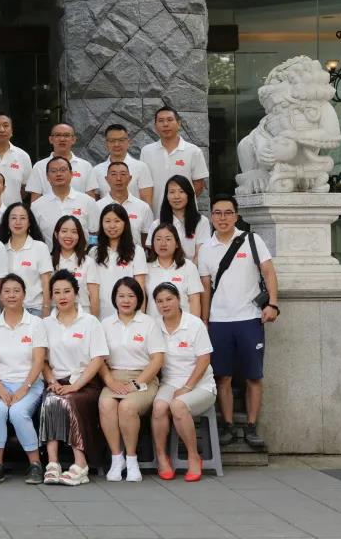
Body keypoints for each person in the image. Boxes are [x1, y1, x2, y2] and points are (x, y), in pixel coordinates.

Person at [199, 195, 279, 448]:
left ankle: (252, 427)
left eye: (228, 213)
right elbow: (205, 288)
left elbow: (268, 272)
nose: (222, 218)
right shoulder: (205, 249)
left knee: (253, 376)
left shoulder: (252, 240)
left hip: (250, 318)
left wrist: (273, 304)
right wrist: (204, 320)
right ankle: (228, 425)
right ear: (211, 217)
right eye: (217, 213)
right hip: (219, 321)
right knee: (222, 377)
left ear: (236, 215)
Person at [39, 269, 108, 486]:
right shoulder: (45, 324)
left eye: (67, 291)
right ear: (51, 296)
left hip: (85, 383)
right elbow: (42, 361)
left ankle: (81, 464)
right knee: (51, 400)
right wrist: (52, 382)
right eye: (57, 292)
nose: (62, 296)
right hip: (57, 382)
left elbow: (98, 359)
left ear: (76, 293)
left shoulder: (90, 322)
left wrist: (75, 385)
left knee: (68, 401)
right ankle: (53, 463)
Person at [98, 278, 165, 482]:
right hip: (114, 377)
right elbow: (98, 359)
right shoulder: (105, 324)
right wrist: (110, 382)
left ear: (138, 299)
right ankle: (116, 458)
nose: (126, 300)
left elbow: (157, 360)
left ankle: (132, 459)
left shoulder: (148, 323)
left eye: (131, 296)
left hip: (143, 377)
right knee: (106, 404)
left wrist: (136, 384)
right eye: (121, 296)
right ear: (114, 298)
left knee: (127, 407)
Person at [0, 274, 47, 485]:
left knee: (18, 412)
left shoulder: (36, 324)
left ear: (24, 295)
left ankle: (35, 464)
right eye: (7, 291)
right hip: (0, 384)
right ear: (1, 295)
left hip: (30, 384)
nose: (11, 295)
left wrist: (24, 388)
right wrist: (0, 388)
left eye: (16, 291)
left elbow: (38, 361)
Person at [151, 282, 217, 482]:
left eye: (169, 299)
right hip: (170, 382)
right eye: (160, 301)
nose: (165, 304)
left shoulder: (194, 324)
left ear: (179, 300)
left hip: (201, 385)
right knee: (159, 407)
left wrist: (187, 387)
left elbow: (204, 359)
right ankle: (162, 457)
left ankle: (193, 456)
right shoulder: (154, 326)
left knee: (178, 405)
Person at [140, 106, 209, 214]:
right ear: (155, 126)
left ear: (179, 123)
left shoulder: (194, 151)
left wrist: (180, 203)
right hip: (156, 215)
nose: (165, 124)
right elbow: (144, 185)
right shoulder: (146, 151)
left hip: (185, 216)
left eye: (170, 119)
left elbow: (199, 186)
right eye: (161, 121)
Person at [87, 204, 148, 318]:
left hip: (129, 316)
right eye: (107, 221)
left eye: (117, 221)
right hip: (101, 316)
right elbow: (91, 291)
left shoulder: (136, 251)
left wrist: (141, 318)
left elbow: (140, 289)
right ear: (101, 224)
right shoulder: (93, 252)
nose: (112, 226)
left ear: (125, 223)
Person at [0, 203, 52, 316]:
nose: (18, 222)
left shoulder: (40, 247)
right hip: (8, 311)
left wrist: (46, 310)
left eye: (22, 218)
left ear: (29, 222)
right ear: (7, 222)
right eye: (13, 218)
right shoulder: (1, 249)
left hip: (34, 310)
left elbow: (46, 282)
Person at [30, 156, 99, 249]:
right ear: (47, 177)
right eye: (53, 171)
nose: (58, 174)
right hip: (49, 256)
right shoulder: (37, 206)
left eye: (63, 170)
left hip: (81, 256)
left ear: (71, 174)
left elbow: (95, 232)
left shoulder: (88, 202)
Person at [148, 175, 211, 263]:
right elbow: (153, 255)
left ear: (189, 194)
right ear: (166, 196)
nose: (176, 196)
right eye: (172, 192)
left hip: (192, 269)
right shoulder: (157, 224)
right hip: (164, 269)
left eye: (181, 191)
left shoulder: (201, 221)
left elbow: (200, 254)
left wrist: (188, 270)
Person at [146, 223, 203, 319]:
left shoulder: (188, 266)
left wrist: (194, 325)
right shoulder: (146, 268)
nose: (163, 243)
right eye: (158, 239)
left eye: (168, 239)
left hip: (183, 325)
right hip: (153, 325)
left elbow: (194, 301)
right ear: (153, 243)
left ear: (177, 244)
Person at [90, 124, 153, 208]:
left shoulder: (141, 167)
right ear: (106, 143)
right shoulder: (96, 170)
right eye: (112, 141)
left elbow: (147, 203)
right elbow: (94, 204)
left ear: (128, 142)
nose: (116, 144)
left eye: (121, 140)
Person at [26, 124, 95, 200]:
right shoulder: (39, 166)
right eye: (58, 135)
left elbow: (91, 199)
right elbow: (35, 201)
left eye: (66, 135)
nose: (62, 139)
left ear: (73, 140)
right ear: (51, 139)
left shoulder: (85, 166)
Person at [95, 161, 152, 245]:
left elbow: (146, 238)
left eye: (123, 174)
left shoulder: (143, 207)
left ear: (130, 178)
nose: (118, 178)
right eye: (113, 174)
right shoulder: (97, 207)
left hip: (134, 252)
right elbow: (94, 235)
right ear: (106, 179)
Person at [51, 215, 92, 310]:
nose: (69, 236)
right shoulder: (48, 260)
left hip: (83, 314)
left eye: (74, 232)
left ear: (79, 236)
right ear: (56, 234)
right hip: (56, 314)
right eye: (64, 231)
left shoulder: (88, 262)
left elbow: (94, 297)